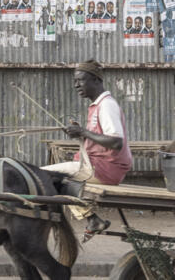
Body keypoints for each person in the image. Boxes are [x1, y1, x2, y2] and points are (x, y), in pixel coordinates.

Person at [42, 60, 132, 242]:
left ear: (96, 80)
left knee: (41, 175)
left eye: (81, 81)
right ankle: (92, 220)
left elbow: (116, 142)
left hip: (104, 168)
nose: (76, 85)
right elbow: (100, 137)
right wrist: (81, 133)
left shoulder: (106, 105)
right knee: (54, 178)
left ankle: (89, 219)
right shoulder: (98, 105)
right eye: (75, 81)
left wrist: (83, 132)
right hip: (98, 165)